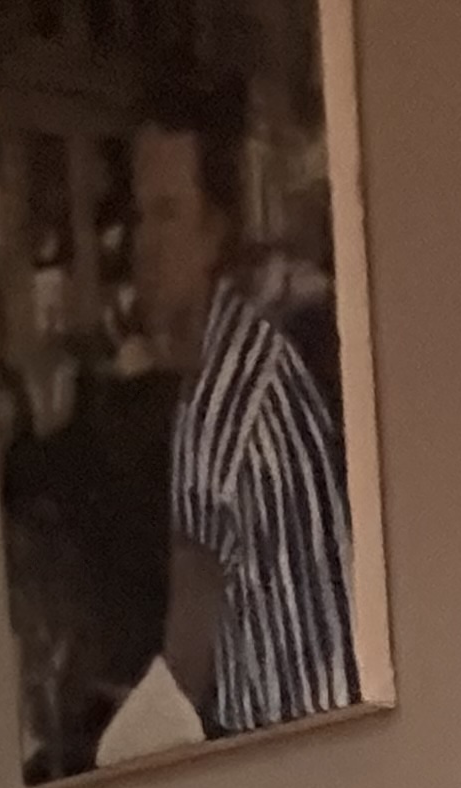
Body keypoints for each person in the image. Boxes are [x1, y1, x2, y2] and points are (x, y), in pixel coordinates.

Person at [130, 71, 359, 739]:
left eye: (167, 214)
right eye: (140, 214)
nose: (144, 243)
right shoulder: (237, 355)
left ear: (213, 233)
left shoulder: (224, 399)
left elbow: (182, 675)